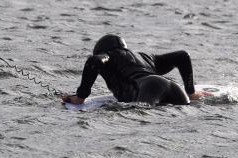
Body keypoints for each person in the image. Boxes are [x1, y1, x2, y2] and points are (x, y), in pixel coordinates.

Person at [63, 34, 213, 106]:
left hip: (146, 88)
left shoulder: (107, 57)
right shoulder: (147, 57)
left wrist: (80, 97)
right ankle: (191, 96)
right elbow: (183, 56)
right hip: (173, 86)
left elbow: (94, 61)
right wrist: (191, 91)